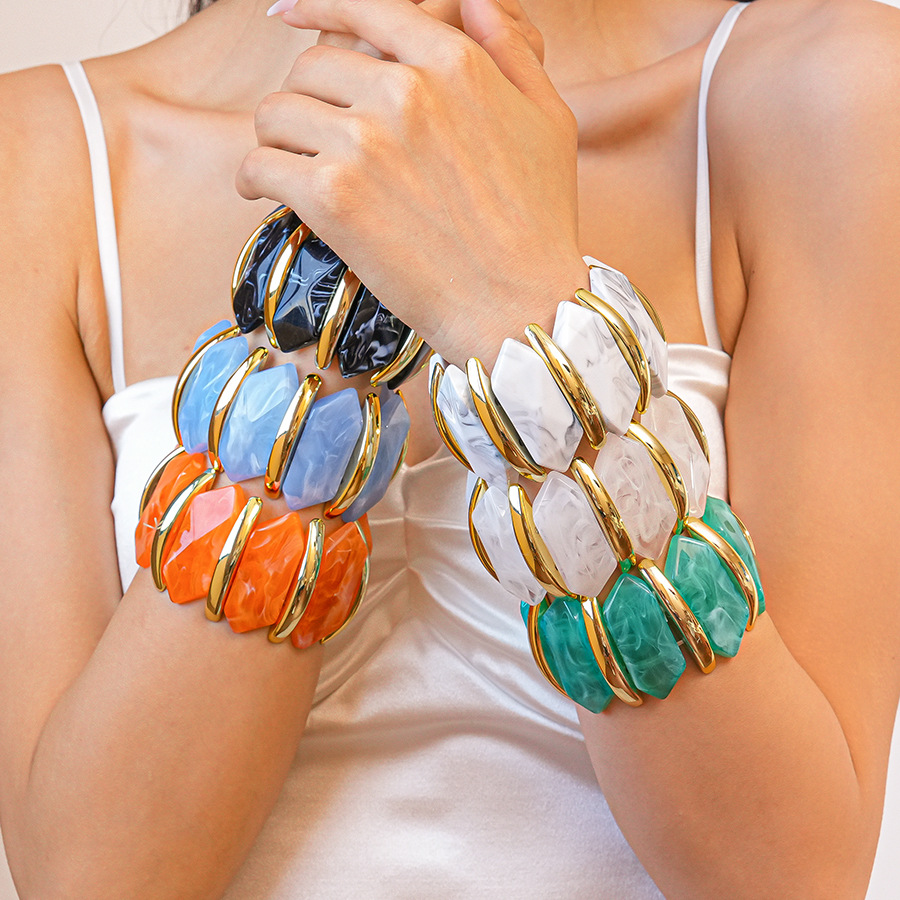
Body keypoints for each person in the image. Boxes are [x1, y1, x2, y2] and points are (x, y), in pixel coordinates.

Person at [0, 0, 898, 896]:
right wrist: (329, 299)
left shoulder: (820, 92)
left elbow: (793, 877)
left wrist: (515, 296)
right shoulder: (39, 153)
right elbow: (92, 880)